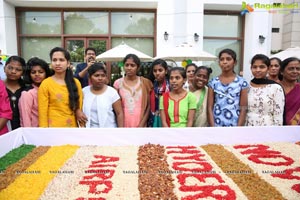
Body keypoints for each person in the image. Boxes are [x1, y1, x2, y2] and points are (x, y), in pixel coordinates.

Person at [38, 47, 84, 127]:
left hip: (72, 128)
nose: (57, 63)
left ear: (68, 63)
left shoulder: (76, 83)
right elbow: (42, 111)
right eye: (54, 60)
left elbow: (79, 107)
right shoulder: (46, 84)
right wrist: (44, 131)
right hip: (52, 128)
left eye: (61, 60)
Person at [207, 49, 248, 127]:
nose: (225, 62)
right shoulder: (213, 82)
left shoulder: (242, 82)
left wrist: (238, 128)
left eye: (228, 59)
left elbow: (243, 108)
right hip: (217, 124)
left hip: (235, 125)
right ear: (219, 63)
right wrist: (213, 127)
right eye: (222, 59)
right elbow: (209, 107)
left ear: (235, 62)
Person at [113, 54, 152, 127]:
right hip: (123, 123)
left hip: (141, 123)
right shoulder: (118, 83)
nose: (129, 68)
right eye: (126, 65)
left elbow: (148, 106)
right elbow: (116, 108)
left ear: (138, 67)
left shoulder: (145, 83)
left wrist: (142, 124)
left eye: (132, 65)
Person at [246, 54, 285, 126]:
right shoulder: (247, 87)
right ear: (251, 68)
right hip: (248, 128)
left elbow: (278, 115)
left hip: (268, 128)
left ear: (268, 68)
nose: (258, 70)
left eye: (262, 67)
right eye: (255, 67)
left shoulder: (276, 88)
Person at [82, 63, 123, 127]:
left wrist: (120, 132)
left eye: (103, 75)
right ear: (89, 77)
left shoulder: (112, 92)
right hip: (88, 132)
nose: (100, 78)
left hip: (109, 131)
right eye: (96, 75)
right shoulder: (84, 92)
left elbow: (119, 113)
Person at [18, 57, 52, 127]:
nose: (37, 74)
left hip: (51, 130)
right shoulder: (27, 93)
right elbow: (25, 118)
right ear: (29, 75)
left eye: (41, 72)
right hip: (34, 132)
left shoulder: (50, 89)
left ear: (46, 73)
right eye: (33, 72)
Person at [4, 56, 27, 130]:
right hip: (4, 129)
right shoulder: (1, 88)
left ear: (23, 72)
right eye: (10, 68)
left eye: (18, 69)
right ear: (4, 68)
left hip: (23, 129)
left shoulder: (26, 90)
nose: (13, 71)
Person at [147, 58, 170, 127]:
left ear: (166, 71)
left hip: (168, 118)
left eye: (160, 70)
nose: (157, 73)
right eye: (155, 71)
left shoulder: (171, 87)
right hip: (153, 118)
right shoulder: (151, 86)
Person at [280, 57, 300, 125]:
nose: (295, 71)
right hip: (276, 127)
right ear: (282, 71)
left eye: (298, 69)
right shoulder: (274, 88)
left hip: (297, 130)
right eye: (291, 69)